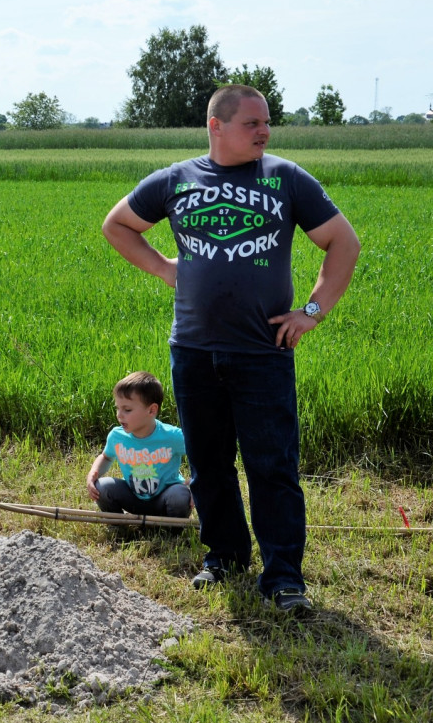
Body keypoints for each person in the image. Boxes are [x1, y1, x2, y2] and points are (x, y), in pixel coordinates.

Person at [100, 85, 360, 615]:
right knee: (210, 464)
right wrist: (163, 268)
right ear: (216, 125)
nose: (265, 132)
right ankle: (224, 557)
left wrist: (311, 313)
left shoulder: (284, 179)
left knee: (272, 466)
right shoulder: (176, 180)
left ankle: (284, 576)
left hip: (262, 352)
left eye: (268, 123)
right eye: (252, 124)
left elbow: (343, 242)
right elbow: (117, 225)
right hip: (194, 350)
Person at [85, 371, 192, 519]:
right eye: (118, 408)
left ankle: (171, 533)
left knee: (180, 495)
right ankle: (118, 526)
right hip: (133, 498)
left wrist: (196, 483)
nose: (119, 415)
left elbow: (202, 456)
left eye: (127, 409)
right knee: (103, 487)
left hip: (166, 498)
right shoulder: (117, 436)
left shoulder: (172, 436)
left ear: (151, 410)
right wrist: (93, 473)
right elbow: (106, 457)